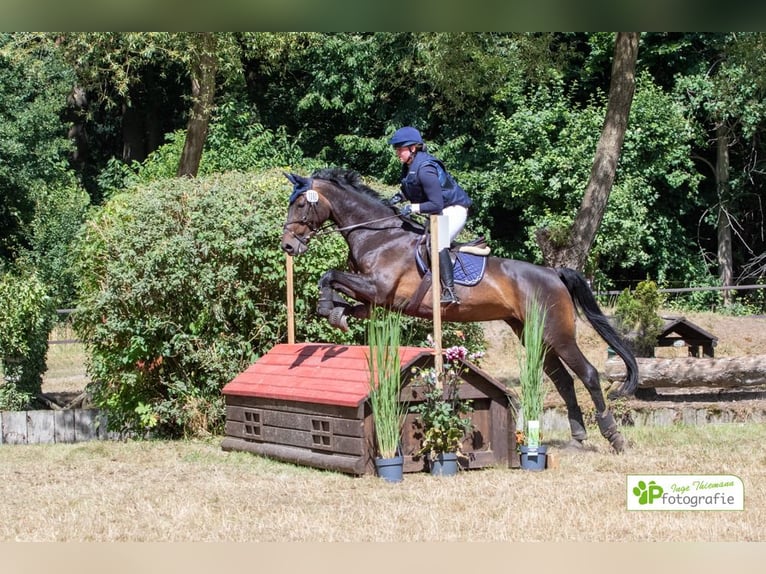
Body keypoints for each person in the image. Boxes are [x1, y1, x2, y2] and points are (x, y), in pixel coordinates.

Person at [386, 126, 472, 305]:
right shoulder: (409, 165)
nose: (397, 153)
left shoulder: (425, 169)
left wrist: (413, 208)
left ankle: (450, 291)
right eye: (397, 149)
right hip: (438, 211)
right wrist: (398, 197)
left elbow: (436, 203)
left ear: (413, 148)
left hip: (453, 209)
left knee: (438, 242)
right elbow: (412, 188)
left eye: (400, 149)